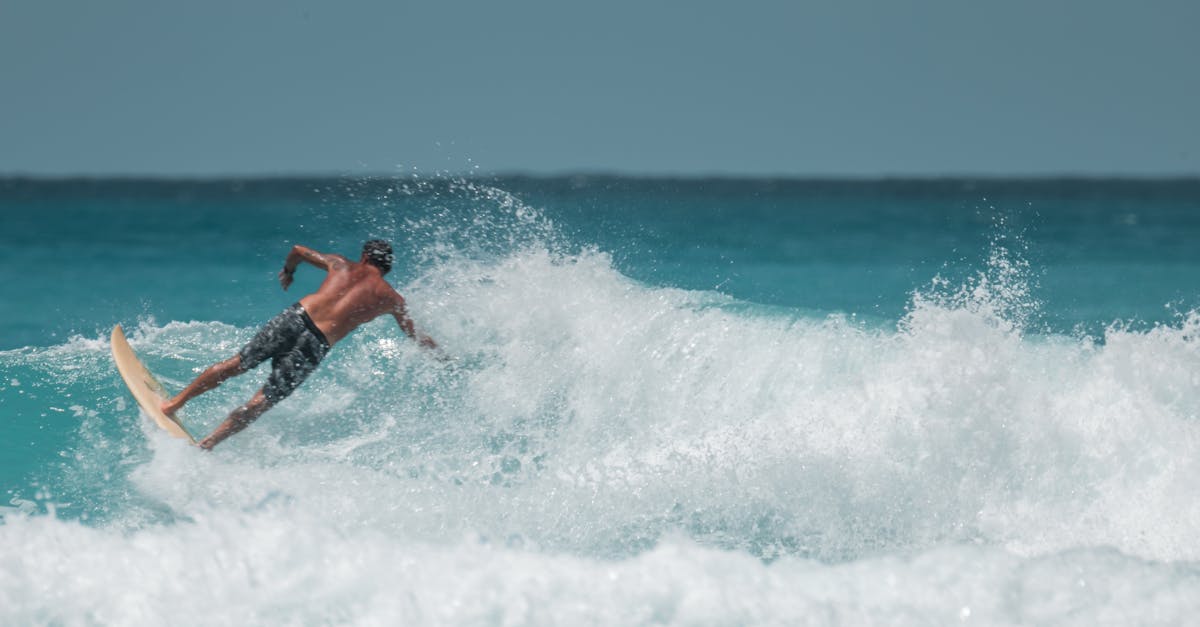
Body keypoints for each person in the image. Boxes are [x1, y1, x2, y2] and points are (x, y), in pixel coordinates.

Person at [162, 240, 440, 450]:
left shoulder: (340, 264)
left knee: (237, 364)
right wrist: (443, 359)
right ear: (387, 268)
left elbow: (297, 250)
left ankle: (173, 404)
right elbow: (417, 336)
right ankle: (206, 445)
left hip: (296, 317)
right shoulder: (392, 299)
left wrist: (288, 271)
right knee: (262, 400)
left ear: (365, 256)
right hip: (316, 343)